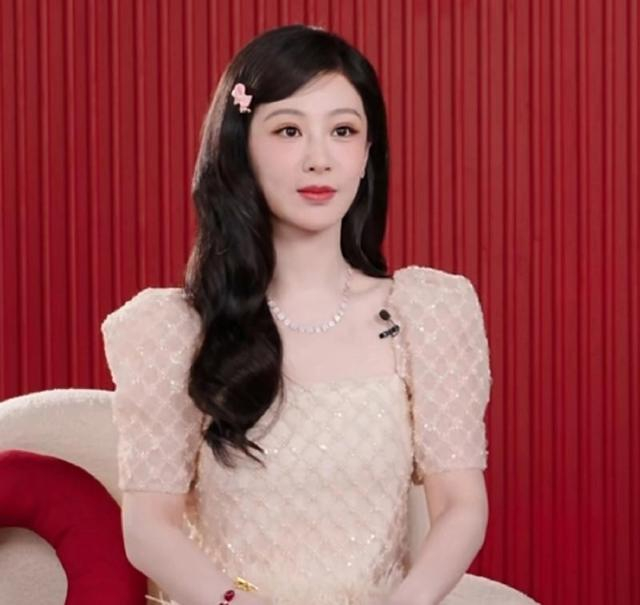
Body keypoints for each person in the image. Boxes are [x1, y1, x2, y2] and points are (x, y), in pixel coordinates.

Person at [101, 24, 492, 605]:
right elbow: (148, 528)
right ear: (241, 147)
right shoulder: (176, 331)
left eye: (343, 131)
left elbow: (461, 506)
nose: (319, 159)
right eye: (289, 130)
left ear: (367, 153)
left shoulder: (425, 315)